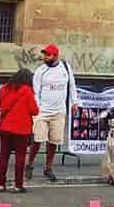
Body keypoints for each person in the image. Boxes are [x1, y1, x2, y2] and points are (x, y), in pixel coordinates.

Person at [29, 44, 78, 182]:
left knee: (54, 141)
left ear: (56, 56)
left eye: (48, 55)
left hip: (59, 112)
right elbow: (35, 92)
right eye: (44, 54)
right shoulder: (40, 71)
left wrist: (75, 102)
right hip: (42, 112)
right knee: (38, 140)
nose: (45, 57)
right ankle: (29, 164)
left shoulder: (66, 68)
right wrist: (37, 110)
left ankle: (48, 167)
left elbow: (72, 85)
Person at [0, 68, 38, 193]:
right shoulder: (27, 91)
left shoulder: (5, 88)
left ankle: (1, 184)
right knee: (20, 158)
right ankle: (18, 185)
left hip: (5, 127)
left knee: (4, 156)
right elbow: (34, 110)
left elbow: (0, 105)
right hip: (22, 129)